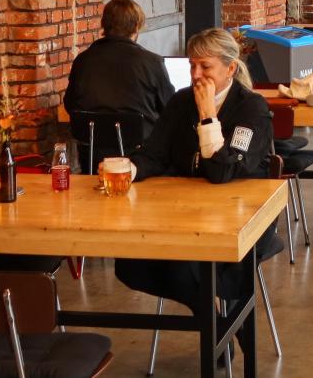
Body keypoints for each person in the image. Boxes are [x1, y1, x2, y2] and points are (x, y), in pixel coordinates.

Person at [114, 28, 281, 310]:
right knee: (131, 262)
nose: (196, 75)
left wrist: (208, 116)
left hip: (241, 218)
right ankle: (212, 316)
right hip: (185, 212)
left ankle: (214, 320)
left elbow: (221, 173)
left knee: (187, 265)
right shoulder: (181, 101)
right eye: (192, 65)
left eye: (205, 66)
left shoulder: (251, 107)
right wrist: (127, 169)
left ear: (230, 69)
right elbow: (155, 154)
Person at [63, 0, 175, 157]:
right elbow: (170, 109)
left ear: (104, 24)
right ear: (136, 26)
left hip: (92, 157)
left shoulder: (82, 60)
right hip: (140, 158)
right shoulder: (152, 62)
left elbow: (70, 105)